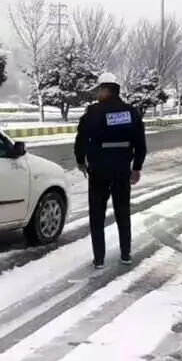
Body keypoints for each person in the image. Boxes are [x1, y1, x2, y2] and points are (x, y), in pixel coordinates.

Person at [74, 72, 147, 269]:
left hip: (98, 171)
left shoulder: (92, 112)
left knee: (97, 215)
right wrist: (136, 167)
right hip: (121, 170)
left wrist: (81, 161)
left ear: (105, 89)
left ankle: (99, 258)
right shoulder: (130, 112)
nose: (97, 94)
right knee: (123, 212)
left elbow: (80, 139)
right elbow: (140, 143)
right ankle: (126, 254)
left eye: (99, 90)